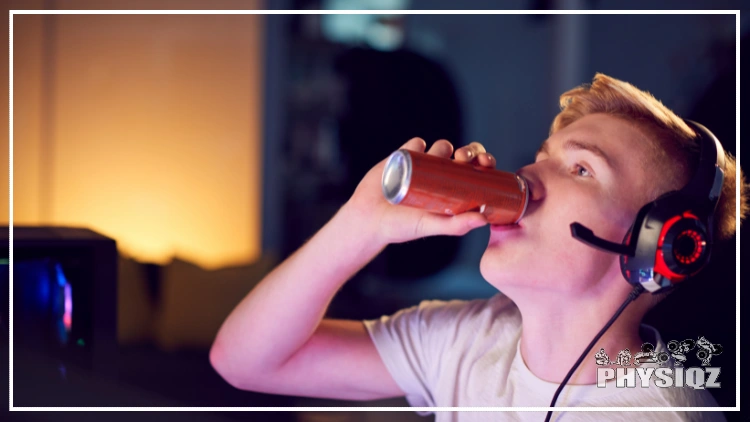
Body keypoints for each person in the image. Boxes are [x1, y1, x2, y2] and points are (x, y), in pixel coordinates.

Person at [209, 74, 745, 421]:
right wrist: (359, 224)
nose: (530, 175)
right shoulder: (471, 338)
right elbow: (245, 361)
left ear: (658, 246)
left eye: (580, 169)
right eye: (542, 155)